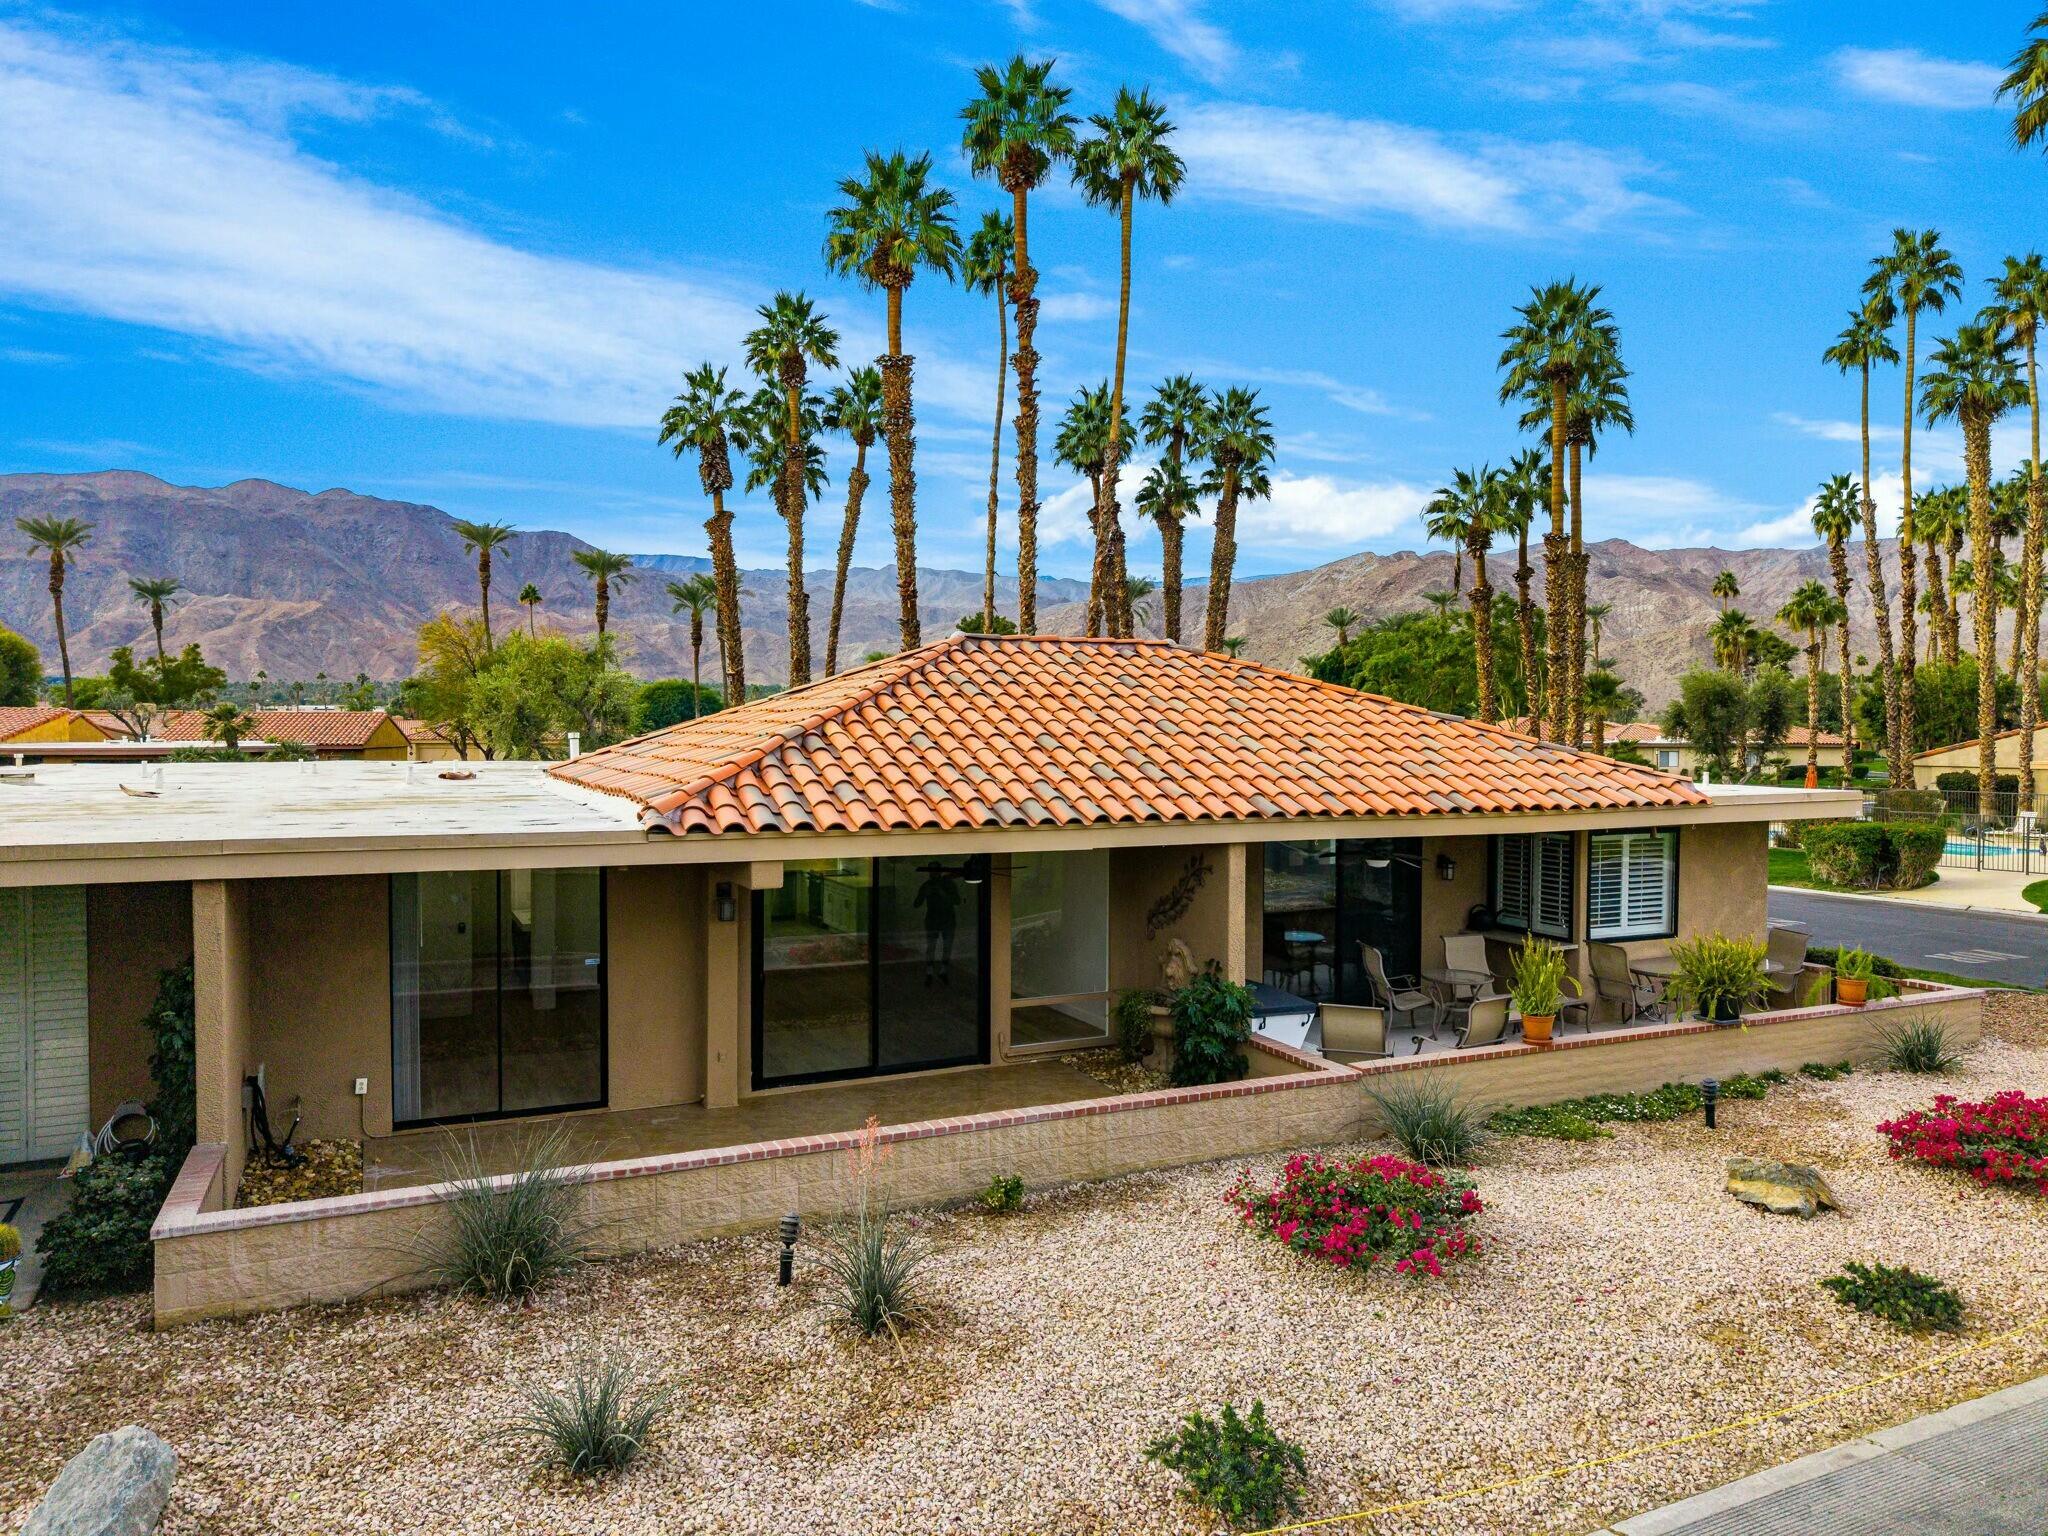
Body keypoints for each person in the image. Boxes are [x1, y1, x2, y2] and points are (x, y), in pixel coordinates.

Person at [913, 864, 961, 984]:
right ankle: (931, 972)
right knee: (932, 947)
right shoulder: (927, 886)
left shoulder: (948, 884)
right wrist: (925, 894)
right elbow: (916, 904)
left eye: (935, 871)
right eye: (931, 872)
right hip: (934, 920)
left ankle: (942, 971)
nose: (933, 874)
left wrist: (942, 893)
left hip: (946, 920)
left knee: (946, 946)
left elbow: (957, 901)